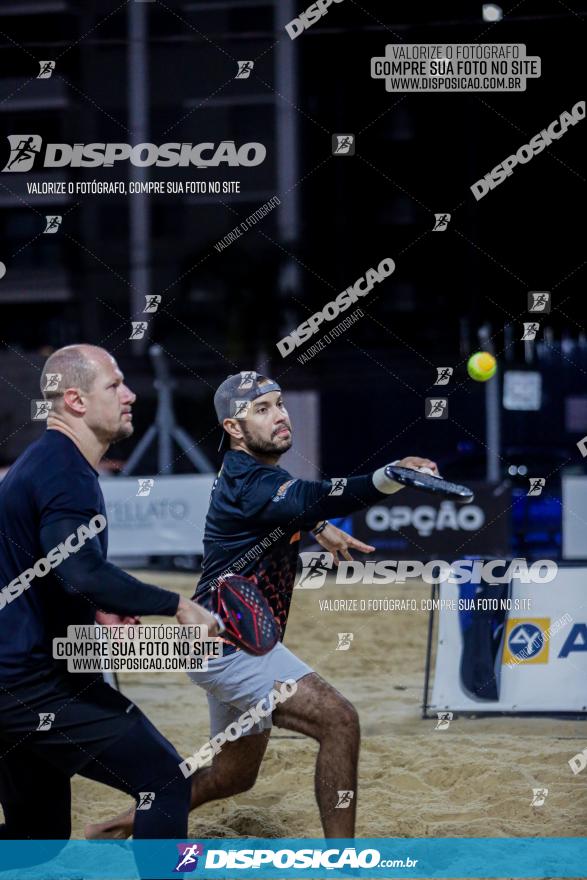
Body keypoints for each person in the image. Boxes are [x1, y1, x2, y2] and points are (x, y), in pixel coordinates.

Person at [92, 371, 437, 840]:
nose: (279, 415)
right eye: (261, 409)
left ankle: (116, 827)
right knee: (340, 720)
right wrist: (389, 476)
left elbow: (288, 505)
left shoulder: (255, 474)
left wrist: (317, 528)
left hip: (221, 639)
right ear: (233, 429)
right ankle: (343, 862)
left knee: (235, 776)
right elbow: (311, 495)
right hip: (233, 646)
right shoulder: (248, 479)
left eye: (278, 403)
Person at [0, 344, 219, 850]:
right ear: (75, 400)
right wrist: (178, 605)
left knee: (37, 840)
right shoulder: (64, 472)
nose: (131, 395)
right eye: (115, 384)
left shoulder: (47, 462)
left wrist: (97, 605)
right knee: (166, 782)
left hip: (15, 683)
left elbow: (52, 569)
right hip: (34, 686)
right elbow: (79, 568)